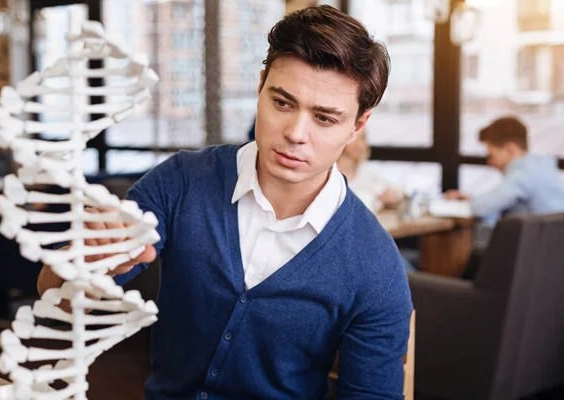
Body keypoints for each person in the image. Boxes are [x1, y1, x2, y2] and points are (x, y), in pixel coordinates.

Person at [38, 6, 412, 399]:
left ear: (357, 126)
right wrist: (80, 267)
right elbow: (55, 303)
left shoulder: (376, 267)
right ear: (260, 86)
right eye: (282, 103)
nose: (295, 134)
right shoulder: (181, 181)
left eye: (324, 119)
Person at [445, 116, 564, 218]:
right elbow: (499, 201)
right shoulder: (542, 167)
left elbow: (481, 208)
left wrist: (471, 203)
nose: (490, 162)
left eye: (491, 155)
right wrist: (471, 199)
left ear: (510, 149)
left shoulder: (523, 175)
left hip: (532, 243)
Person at [337, 129, 403, 214]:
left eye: (363, 138)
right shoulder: (329, 175)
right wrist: (377, 200)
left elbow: (396, 192)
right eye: (355, 138)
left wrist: (392, 197)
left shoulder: (366, 172)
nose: (361, 144)